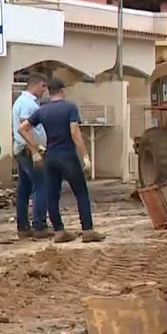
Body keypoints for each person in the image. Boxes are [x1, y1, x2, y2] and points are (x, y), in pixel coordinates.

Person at [18, 78, 104, 243]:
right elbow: (75, 133)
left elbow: (22, 128)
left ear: (49, 92)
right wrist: (85, 156)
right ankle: (87, 230)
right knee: (80, 192)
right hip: (67, 156)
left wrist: (36, 147)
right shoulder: (70, 107)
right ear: (62, 91)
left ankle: (59, 231)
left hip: (50, 157)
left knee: (52, 195)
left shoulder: (43, 110)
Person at [12, 72, 49, 239]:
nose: (44, 90)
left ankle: (23, 227)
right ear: (36, 85)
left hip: (22, 149)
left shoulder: (23, 101)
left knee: (24, 189)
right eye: (43, 87)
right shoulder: (28, 103)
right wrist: (35, 150)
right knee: (41, 186)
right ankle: (39, 225)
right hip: (27, 151)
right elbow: (25, 129)